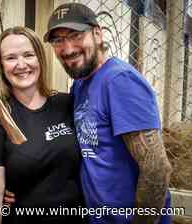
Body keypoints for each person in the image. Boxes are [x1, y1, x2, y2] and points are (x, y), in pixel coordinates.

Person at [42, 2, 172, 224]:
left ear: (98, 34)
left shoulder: (120, 81)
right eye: (58, 40)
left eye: (75, 35)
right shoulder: (82, 85)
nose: (68, 48)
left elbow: (156, 168)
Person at [0, 26, 84, 224]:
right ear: (1, 65)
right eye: (10, 58)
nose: (21, 64)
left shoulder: (67, 103)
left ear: (39, 59)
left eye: (28, 55)